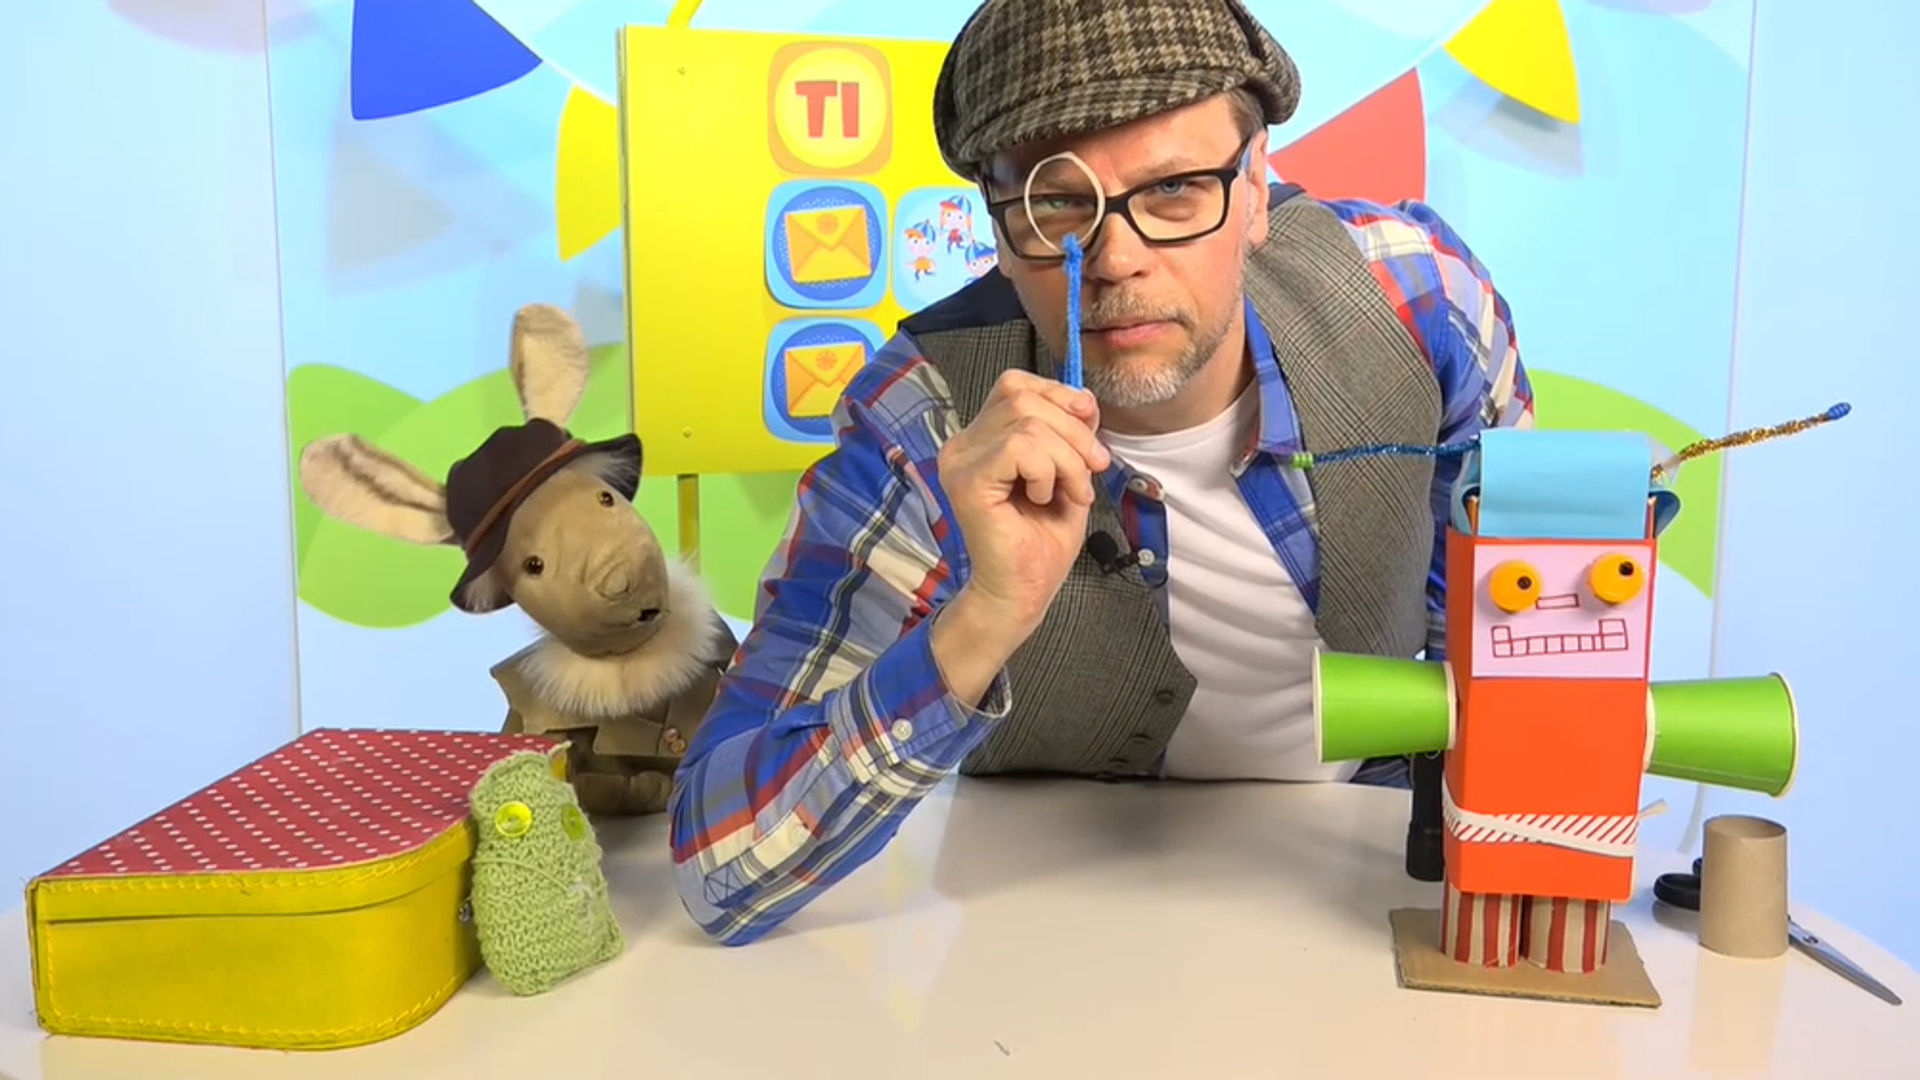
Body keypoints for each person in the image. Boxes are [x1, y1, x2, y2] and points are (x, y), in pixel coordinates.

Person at [669, 0, 1534, 945]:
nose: (1116, 259)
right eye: (1058, 204)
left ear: (1255, 188)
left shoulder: (1417, 299)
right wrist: (983, 618)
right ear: (1000, 232)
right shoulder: (924, 418)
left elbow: (1504, 660)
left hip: (1360, 881)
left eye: (1175, 191)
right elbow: (721, 867)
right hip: (1047, 922)